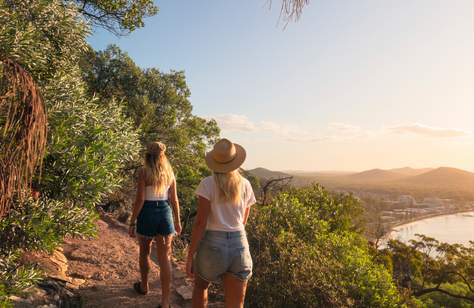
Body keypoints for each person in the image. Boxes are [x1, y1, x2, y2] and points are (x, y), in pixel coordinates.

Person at [186, 138, 256, 308]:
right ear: (236, 161)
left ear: (215, 162)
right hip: (239, 244)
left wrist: (191, 255)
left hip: (212, 244)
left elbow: (201, 222)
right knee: (236, 303)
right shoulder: (245, 185)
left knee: (201, 287)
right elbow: (244, 220)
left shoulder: (207, 184)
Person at [129, 141, 182, 308]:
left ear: (147, 155)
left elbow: (140, 199)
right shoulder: (169, 172)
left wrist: (132, 221)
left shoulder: (144, 172)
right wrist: (178, 221)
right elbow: (174, 199)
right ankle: (165, 303)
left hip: (147, 212)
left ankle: (144, 286)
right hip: (165, 213)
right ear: (163, 155)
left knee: (144, 251)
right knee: (165, 258)